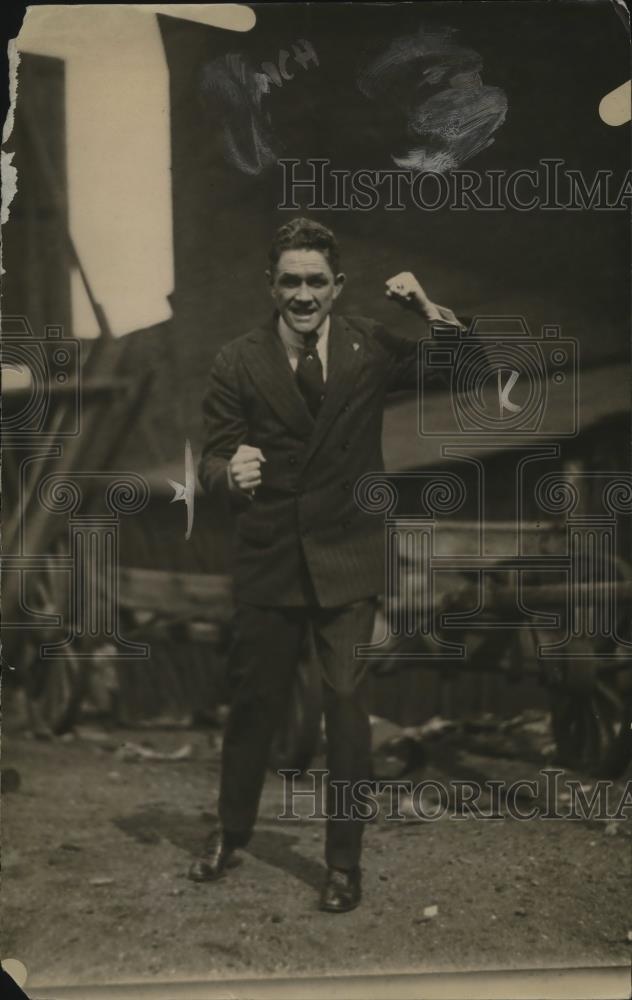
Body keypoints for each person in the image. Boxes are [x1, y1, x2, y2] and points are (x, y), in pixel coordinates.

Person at [191, 218, 464, 912]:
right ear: (271, 286)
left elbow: (464, 365)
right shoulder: (237, 361)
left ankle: (344, 864)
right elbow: (212, 459)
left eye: (316, 281)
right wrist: (231, 472)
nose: (303, 294)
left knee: (345, 708)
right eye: (291, 281)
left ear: (337, 287)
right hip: (271, 559)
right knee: (255, 703)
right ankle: (231, 831)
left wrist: (428, 310)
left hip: (347, 556)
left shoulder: (369, 344)